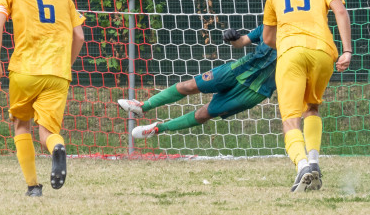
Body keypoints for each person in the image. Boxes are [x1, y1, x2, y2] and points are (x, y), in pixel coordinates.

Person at [0, 0, 85, 197]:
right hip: (57, 73)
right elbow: (79, 35)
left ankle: (32, 187)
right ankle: (57, 147)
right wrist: (66, 64)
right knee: (49, 132)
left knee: (22, 125)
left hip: (24, 71)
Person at [263, 0, 352, 192]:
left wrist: (289, 46)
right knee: (311, 107)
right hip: (323, 53)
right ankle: (313, 163)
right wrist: (346, 51)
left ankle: (301, 165)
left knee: (290, 119)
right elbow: (341, 12)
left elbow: (269, 37)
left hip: (291, 52)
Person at [118, 25, 276, 140]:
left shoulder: (300, 37)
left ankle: (158, 129)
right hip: (237, 69)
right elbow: (241, 42)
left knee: (204, 114)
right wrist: (232, 37)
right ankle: (142, 106)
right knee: (188, 86)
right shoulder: (270, 24)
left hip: (257, 90)